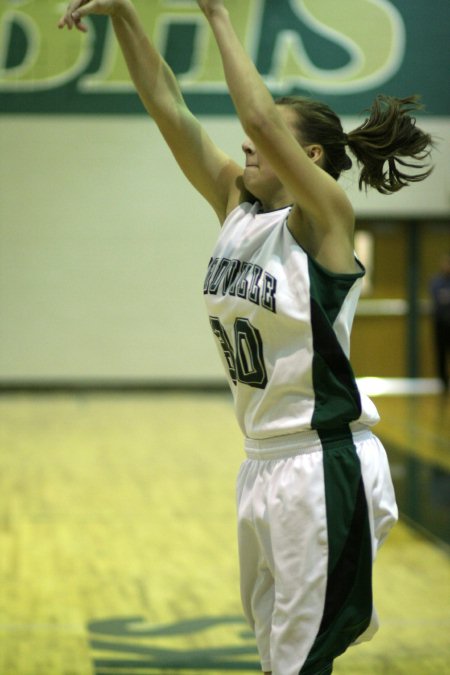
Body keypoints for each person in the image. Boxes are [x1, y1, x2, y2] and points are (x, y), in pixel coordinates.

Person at [59, 2, 433, 673]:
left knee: (294, 663)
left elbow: (258, 116)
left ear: (308, 157)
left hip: (322, 462)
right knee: (279, 655)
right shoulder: (237, 205)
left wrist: (218, 16)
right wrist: (121, 13)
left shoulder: (325, 220)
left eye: (265, 142)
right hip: (261, 462)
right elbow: (168, 105)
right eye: (250, 144)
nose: (248, 145)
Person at [430, 253, 450, 391]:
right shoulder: (436, 281)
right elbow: (437, 298)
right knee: (441, 352)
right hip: (440, 322)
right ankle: (443, 382)